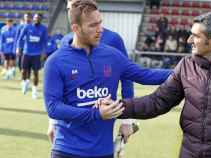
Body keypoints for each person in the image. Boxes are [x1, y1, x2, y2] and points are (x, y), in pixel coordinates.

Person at [101, 12, 211, 158]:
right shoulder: (186, 66)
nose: (188, 40)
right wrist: (119, 107)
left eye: (195, 36)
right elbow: (157, 102)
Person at [43, 0, 171, 158]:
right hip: (66, 151)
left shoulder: (112, 55)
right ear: (75, 28)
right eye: (92, 25)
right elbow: (54, 108)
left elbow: (145, 75)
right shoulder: (55, 61)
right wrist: (96, 114)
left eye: (100, 23)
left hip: (103, 152)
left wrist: (187, 69)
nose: (100, 30)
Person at [46, 0, 140, 148]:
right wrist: (53, 122)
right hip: (72, 128)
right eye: (69, 6)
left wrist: (127, 120)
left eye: (76, 4)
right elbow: (59, 89)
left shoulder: (113, 39)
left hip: (101, 126)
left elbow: (127, 78)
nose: (72, 10)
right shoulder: (66, 40)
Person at [16, 13, 48, 99]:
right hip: (26, 52)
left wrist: (44, 52)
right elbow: (20, 38)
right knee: (23, 71)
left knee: (36, 73)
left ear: (41, 19)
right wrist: (18, 48)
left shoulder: (44, 29)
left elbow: (45, 42)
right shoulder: (27, 27)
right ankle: (25, 82)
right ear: (33, 18)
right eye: (35, 17)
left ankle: (34, 91)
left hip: (36, 54)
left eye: (38, 18)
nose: (36, 19)